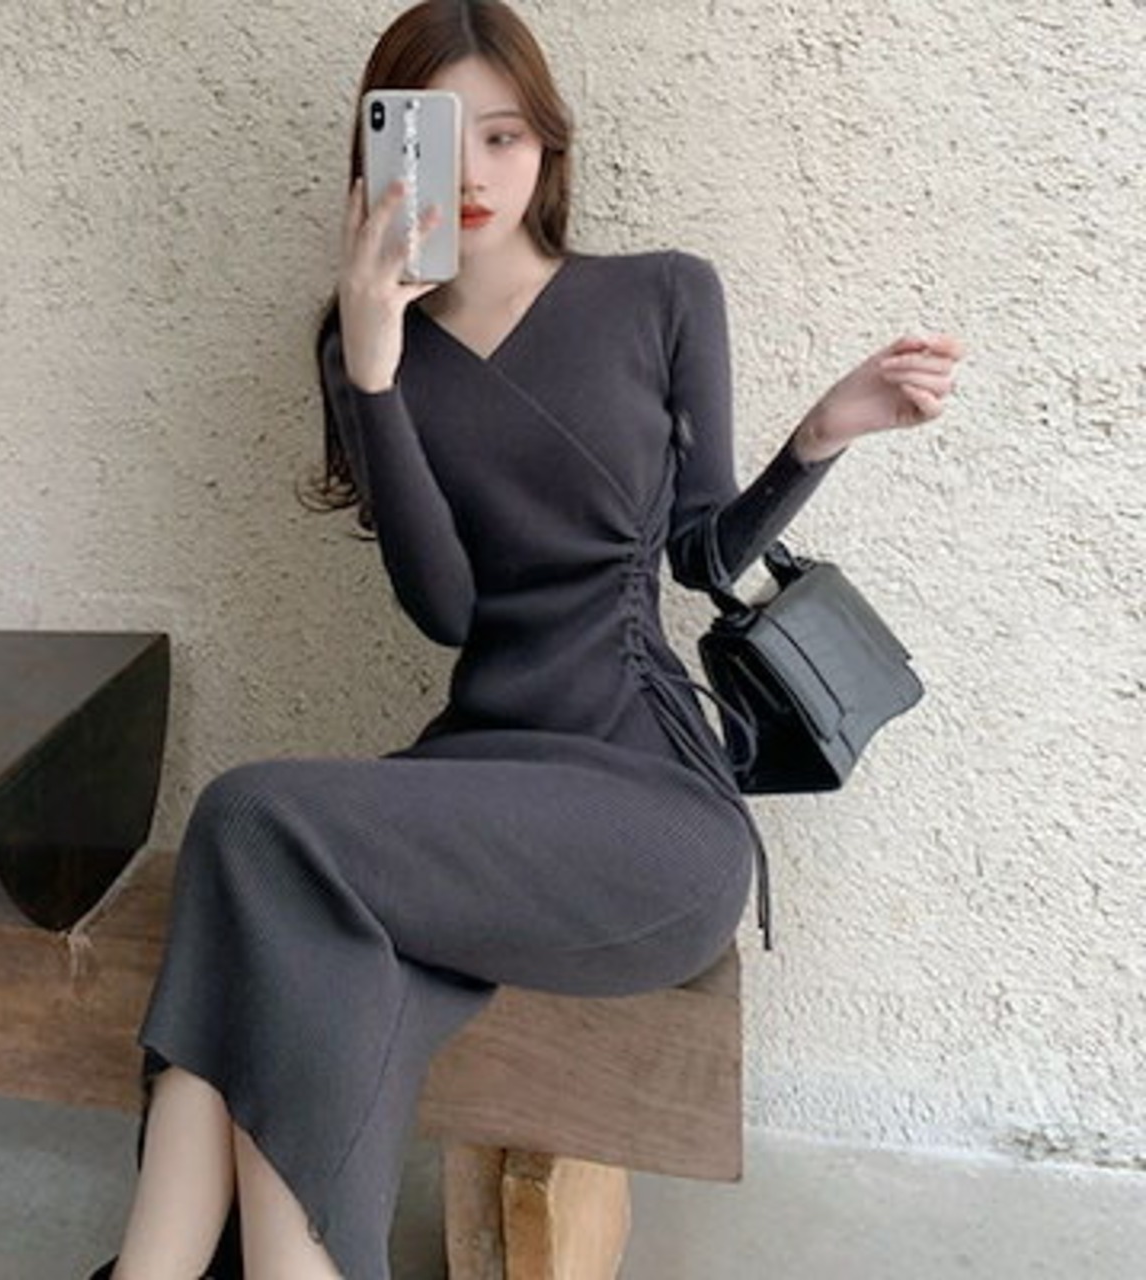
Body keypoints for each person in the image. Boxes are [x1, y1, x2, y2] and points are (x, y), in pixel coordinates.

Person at [90, 2, 964, 1277]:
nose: (474, 172)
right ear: (380, 155)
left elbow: (699, 554)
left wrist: (820, 433)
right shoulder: (362, 340)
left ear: (548, 147)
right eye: (438, 138)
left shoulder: (661, 293)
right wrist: (375, 366)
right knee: (289, 926)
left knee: (247, 821)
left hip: (649, 800)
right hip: (483, 771)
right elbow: (445, 609)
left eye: (502, 136)